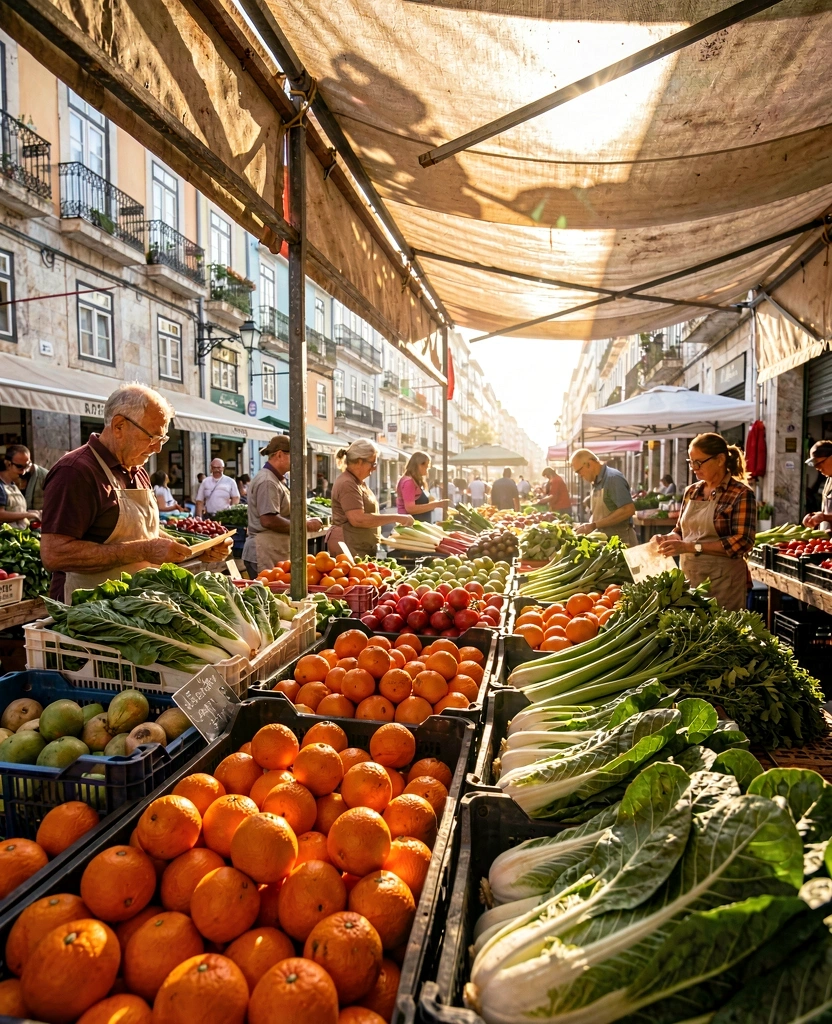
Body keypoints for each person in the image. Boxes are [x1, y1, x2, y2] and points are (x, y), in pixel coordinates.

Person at [40, 383, 199, 601]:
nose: (158, 449)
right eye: (152, 437)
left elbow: (142, 532)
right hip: (90, 613)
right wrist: (144, 550)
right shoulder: (75, 471)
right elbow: (54, 554)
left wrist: (191, 549)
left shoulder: (137, 469)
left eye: (162, 439)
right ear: (119, 426)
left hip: (136, 605)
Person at [655, 433, 756, 611]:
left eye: (699, 462)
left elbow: (742, 542)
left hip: (724, 582)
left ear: (720, 459)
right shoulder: (692, 491)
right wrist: (668, 538)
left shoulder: (741, 493)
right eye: (691, 462)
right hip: (689, 577)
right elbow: (680, 530)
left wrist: (691, 547)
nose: (694, 468)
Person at [242, 435, 323, 577]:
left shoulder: (276, 479)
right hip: (264, 553)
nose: (298, 461)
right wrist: (303, 525)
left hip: (272, 551)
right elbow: (268, 520)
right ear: (280, 455)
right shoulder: (268, 481)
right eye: (295, 456)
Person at [327, 440, 413, 557]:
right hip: (350, 548)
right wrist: (398, 517)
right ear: (359, 462)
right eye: (373, 464)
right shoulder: (347, 483)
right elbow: (358, 519)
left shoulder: (358, 482)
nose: (374, 468)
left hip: (360, 547)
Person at [569, 448, 637, 546]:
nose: (580, 476)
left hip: (622, 543)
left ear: (589, 463)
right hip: (607, 543)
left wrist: (594, 525)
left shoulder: (613, 478)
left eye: (579, 471)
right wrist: (587, 525)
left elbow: (628, 510)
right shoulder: (596, 482)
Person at [396, 452, 449, 522]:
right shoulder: (408, 482)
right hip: (412, 527)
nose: (427, 471)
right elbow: (410, 508)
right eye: (426, 467)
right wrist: (436, 504)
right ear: (419, 465)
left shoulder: (414, 481)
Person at [0, 445, 40, 528]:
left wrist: (36, 513)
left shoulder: (12, 485)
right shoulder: (1, 486)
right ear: (8, 464)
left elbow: (17, 510)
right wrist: (28, 514)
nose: (23, 472)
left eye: (26, 466)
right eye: (20, 467)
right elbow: (1, 514)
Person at [803, 440, 832, 528]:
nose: (818, 468)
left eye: (819, 463)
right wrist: (816, 517)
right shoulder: (828, 479)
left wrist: (824, 517)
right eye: (815, 465)